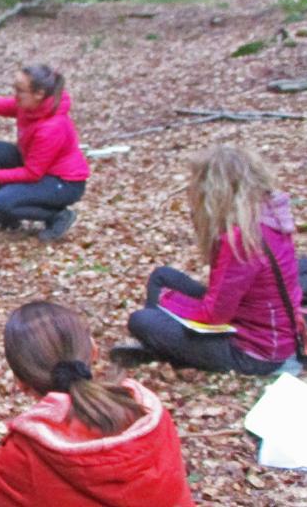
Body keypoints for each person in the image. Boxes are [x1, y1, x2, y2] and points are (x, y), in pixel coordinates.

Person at [0, 301, 194, 507]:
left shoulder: (26, 459)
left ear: (21, 382)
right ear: (93, 352)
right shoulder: (148, 416)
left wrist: (0, 457)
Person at [112, 146, 304, 374]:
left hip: (256, 353)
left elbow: (215, 315)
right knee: (161, 277)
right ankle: (160, 344)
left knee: (142, 320)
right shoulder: (269, 216)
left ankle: (162, 345)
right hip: (266, 327)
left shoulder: (242, 239)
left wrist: (172, 307)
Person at [0, 65, 89, 241]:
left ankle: (58, 216)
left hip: (64, 183)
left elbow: (32, 173)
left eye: (19, 90)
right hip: (41, 170)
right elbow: (4, 105)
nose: (15, 94)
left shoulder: (52, 127)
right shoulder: (31, 105)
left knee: (4, 200)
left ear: (39, 93)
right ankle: (8, 218)